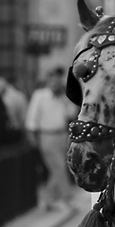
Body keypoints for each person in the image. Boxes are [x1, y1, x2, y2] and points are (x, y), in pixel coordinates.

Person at [25, 67, 77, 210]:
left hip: (62, 135)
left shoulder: (63, 97)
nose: (55, 84)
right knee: (58, 167)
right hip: (47, 135)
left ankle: (47, 199)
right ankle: (67, 198)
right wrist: (32, 137)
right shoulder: (40, 96)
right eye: (53, 81)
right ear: (48, 81)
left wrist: (64, 99)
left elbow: (72, 114)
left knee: (58, 167)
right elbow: (32, 118)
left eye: (58, 81)